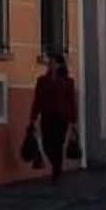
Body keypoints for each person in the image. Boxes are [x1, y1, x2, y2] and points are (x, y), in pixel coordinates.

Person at [28, 52, 78, 185]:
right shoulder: (42, 81)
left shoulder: (68, 82)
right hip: (47, 115)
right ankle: (56, 164)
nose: (50, 64)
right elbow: (37, 100)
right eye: (50, 62)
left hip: (61, 117)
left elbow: (71, 101)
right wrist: (33, 117)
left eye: (53, 62)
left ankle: (57, 169)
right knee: (46, 143)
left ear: (60, 64)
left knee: (57, 143)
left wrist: (73, 120)